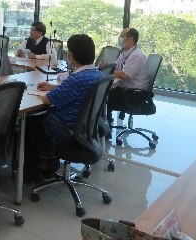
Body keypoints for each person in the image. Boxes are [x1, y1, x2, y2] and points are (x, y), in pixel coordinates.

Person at [24, 34, 104, 181]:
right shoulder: (97, 75)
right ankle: (48, 164)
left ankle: (33, 173)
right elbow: (73, 92)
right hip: (82, 127)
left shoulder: (76, 79)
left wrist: (34, 93)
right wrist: (54, 87)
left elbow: (47, 100)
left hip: (63, 127)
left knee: (28, 122)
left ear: (71, 55)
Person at [106, 28, 149, 122]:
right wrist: (107, 66)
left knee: (101, 97)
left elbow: (125, 75)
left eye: (122, 36)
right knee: (104, 92)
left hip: (134, 93)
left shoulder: (136, 56)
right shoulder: (125, 53)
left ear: (130, 39)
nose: (119, 39)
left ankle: (105, 126)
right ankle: (106, 122)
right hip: (126, 89)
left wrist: (110, 69)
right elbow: (115, 67)